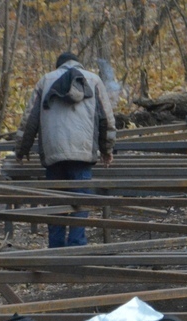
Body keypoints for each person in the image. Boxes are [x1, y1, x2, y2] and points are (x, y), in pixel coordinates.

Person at [15, 53, 116, 247]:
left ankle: (56, 247)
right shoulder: (93, 80)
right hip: (83, 152)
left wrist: (21, 150)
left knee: (55, 201)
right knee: (80, 200)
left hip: (53, 153)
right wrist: (106, 150)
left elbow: (29, 120)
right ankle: (77, 246)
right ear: (79, 63)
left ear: (58, 65)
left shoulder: (45, 81)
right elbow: (106, 120)